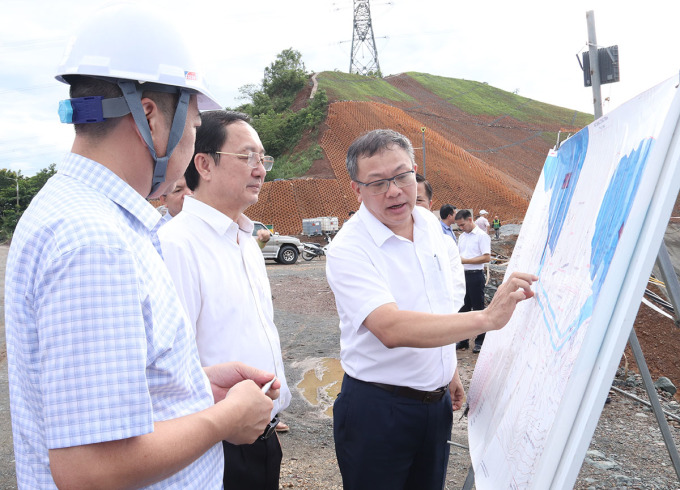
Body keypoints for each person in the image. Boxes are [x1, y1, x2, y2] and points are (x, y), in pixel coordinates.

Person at [5, 6, 279, 488]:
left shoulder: (83, 213)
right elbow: (89, 469)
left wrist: (196, 391)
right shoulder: (94, 242)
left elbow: (105, 406)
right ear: (150, 116)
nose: (192, 141)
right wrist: (222, 421)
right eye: (193, 126)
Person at [326, 129, 537, 490]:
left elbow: (438, 305)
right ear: (356, 190)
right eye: (377, 183)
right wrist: (486, 319)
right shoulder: (349, 248)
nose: (394, 191)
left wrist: (447, 368)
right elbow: (391, 327)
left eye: (402, 176)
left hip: (435, 406)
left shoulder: (429, 226)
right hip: (378, 410)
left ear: (415, 171)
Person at [158, 110, 291, 490]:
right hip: (213, 445)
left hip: (261, 434)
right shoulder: (177, 244)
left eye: (263, 159)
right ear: (204, 164)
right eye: (247, 156)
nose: (260, 169)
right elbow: (172, 368)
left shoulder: (246, 240)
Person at [455, 209, 492, 353]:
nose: (461, 228)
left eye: (463, 224)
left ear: (470, 220)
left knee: (478, 308)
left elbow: (486, 257)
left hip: (476, 275)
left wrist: (467, 261)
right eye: (459, 226)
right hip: (462, 275)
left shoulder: (482, 236)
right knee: (463, 309)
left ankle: (480, 341)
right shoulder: (462, 237)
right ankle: (463, 340)